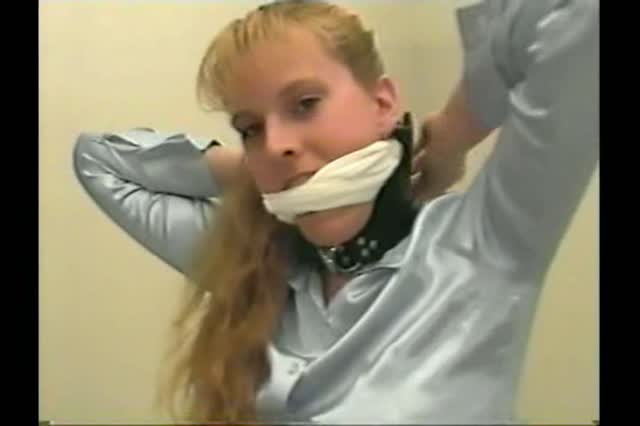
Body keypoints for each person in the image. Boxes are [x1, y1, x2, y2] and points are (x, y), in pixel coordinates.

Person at [72, 0, 599, 423]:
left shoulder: (482, 246)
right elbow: (98, 161)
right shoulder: (256, 268)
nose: (275, 142)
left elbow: (573, 14)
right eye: (251, 128)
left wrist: (456, 130)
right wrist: (254, 170)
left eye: (305, 104)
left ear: (383, 105)